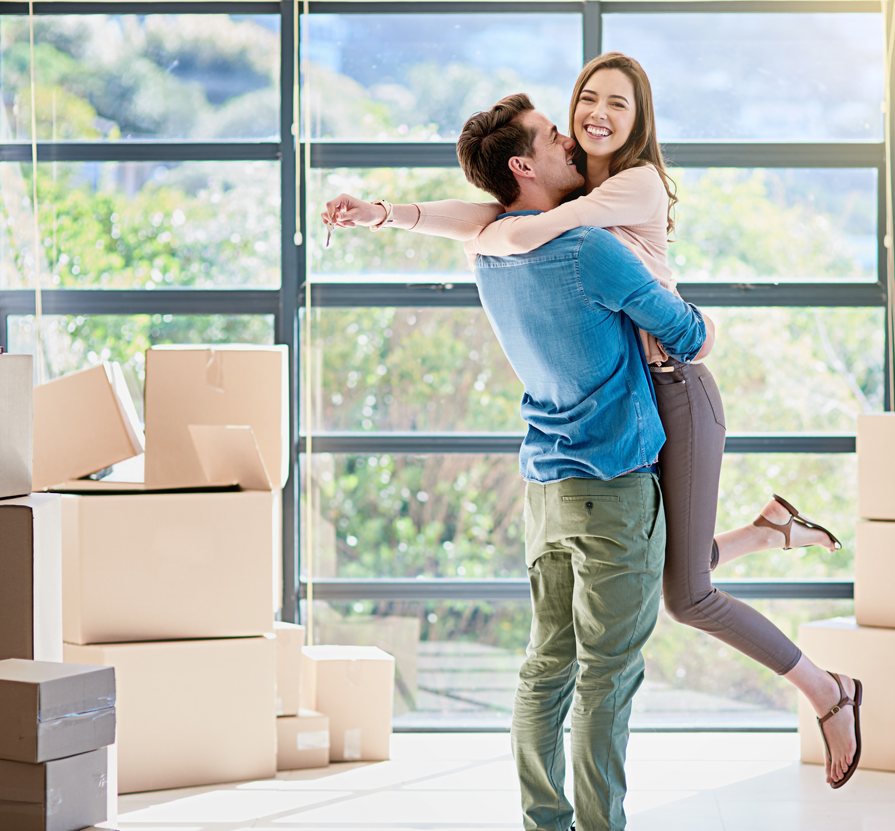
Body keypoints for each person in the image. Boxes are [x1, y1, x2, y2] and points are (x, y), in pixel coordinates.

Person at [323, 54, 864, 790]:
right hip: (648, 387)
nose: (590, 120)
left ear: (639, 119)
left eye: (617, 102)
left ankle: (829, 691)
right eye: (581, 103)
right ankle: (770, 531)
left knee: (688, 595)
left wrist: (499, 232)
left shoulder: (626, 186)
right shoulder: (574, 188)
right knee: (669, 574)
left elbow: (529, 226)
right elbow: (492, 217)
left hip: (680, 385)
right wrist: (390, 215)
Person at [390, 92, 707, 831]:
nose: (571, 138)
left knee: (545, 668)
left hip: (544, 484)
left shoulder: (489, 251)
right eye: (552, 136)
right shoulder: (592, 250)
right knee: (608, 673)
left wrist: (389, 212)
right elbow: (689, 334)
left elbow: (474, 223)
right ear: (524, 166)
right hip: (613, 482)